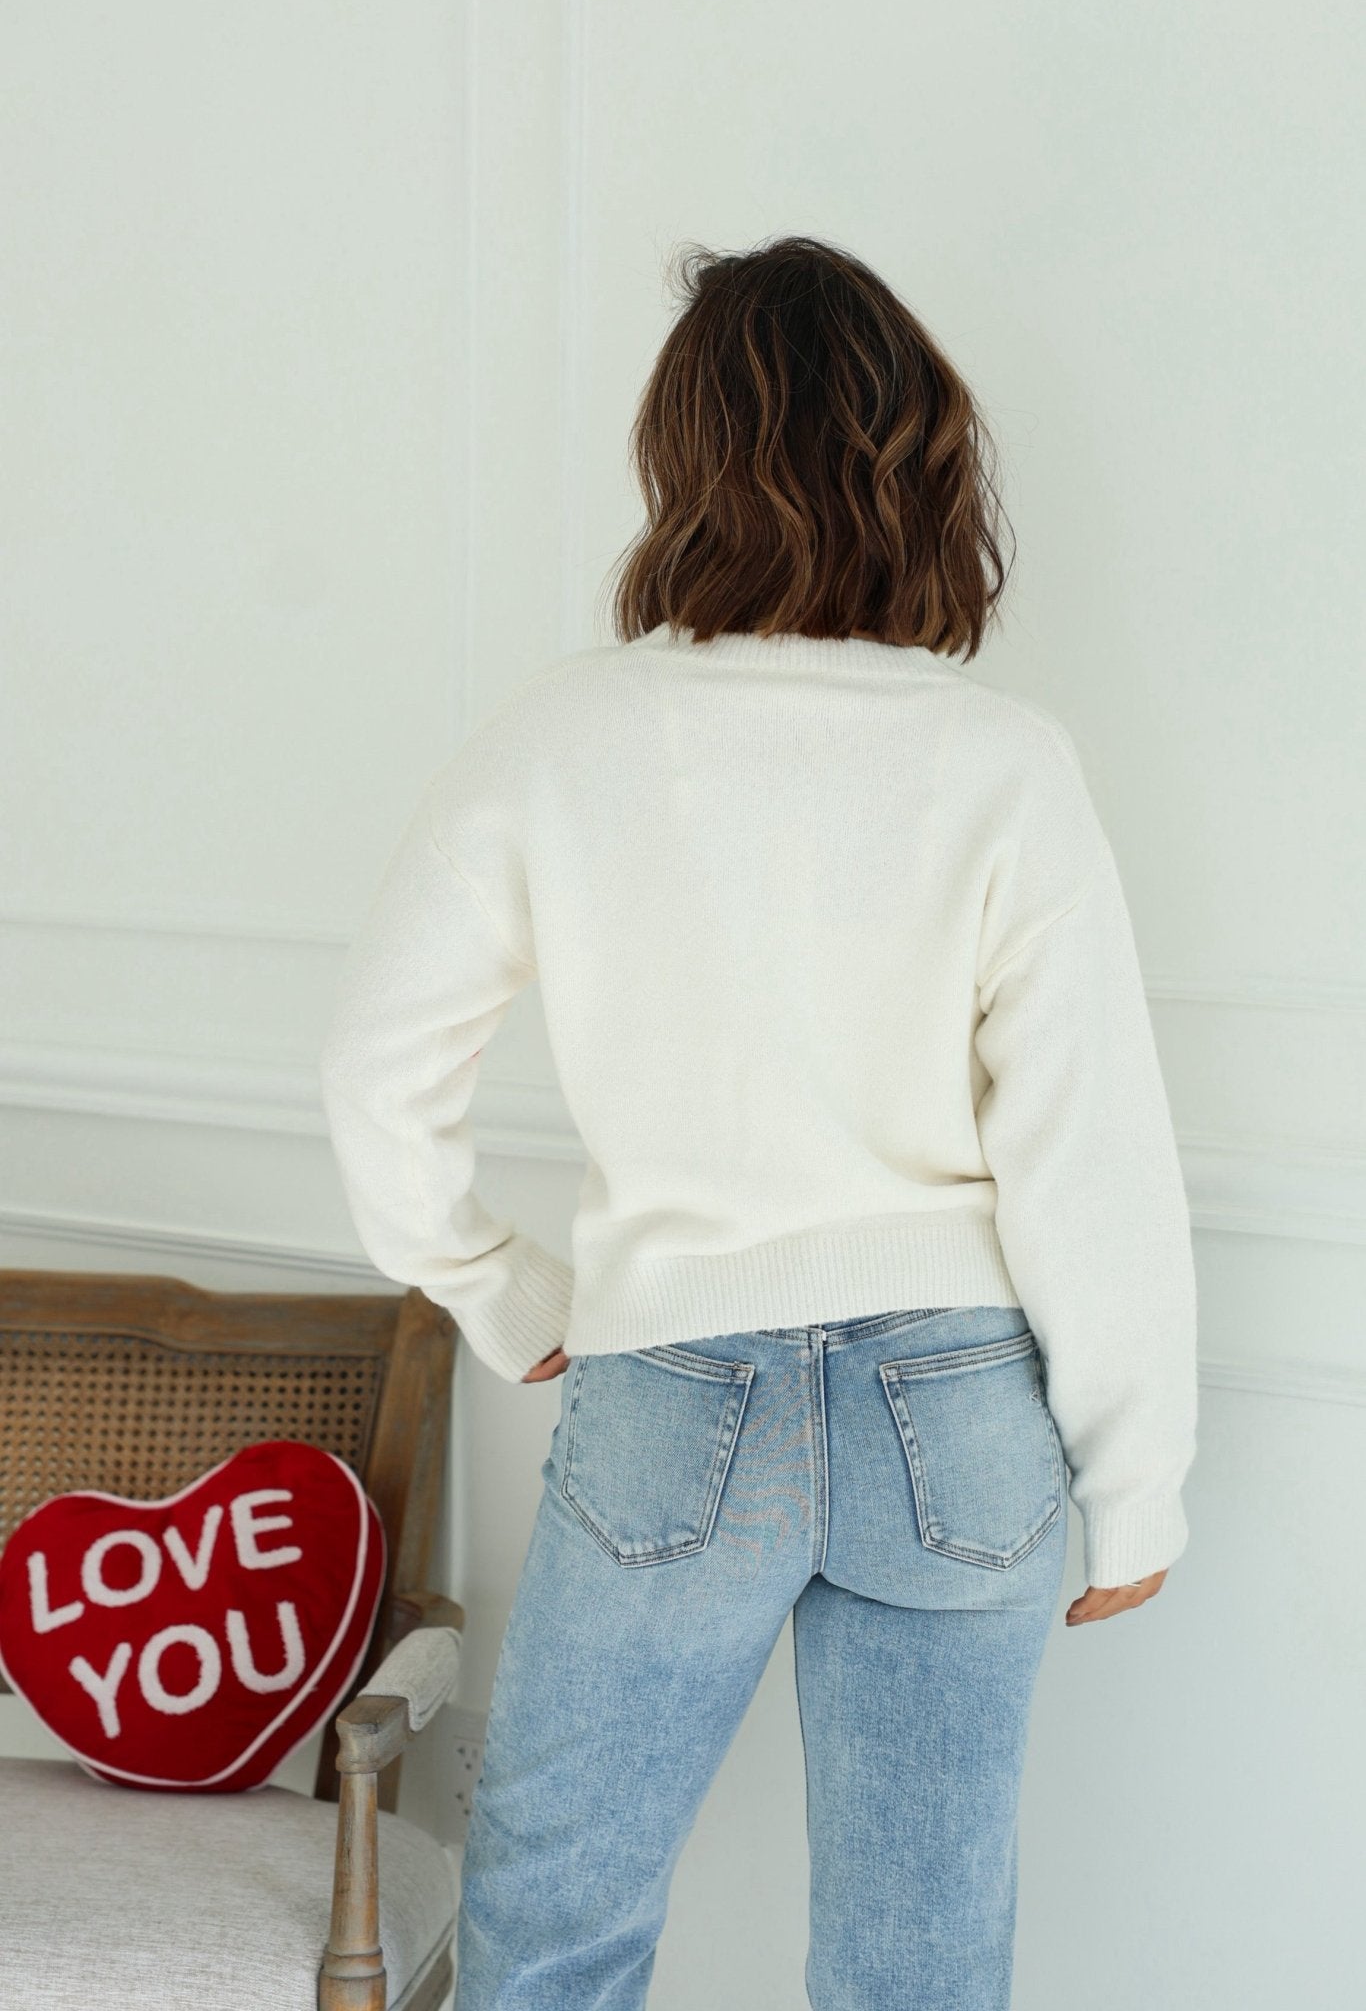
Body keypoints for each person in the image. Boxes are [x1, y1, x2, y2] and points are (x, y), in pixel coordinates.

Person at [318, 233, 1198, 2010]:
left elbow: (374, 1069)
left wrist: (505, 1291)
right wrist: (1136, 1480)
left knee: (553, 1926)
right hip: (957, 1410)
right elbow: (1088, 1146)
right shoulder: (1001, 761)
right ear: (930, 464)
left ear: (682, 461)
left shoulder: (565, 737)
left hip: (674, 1394)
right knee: (918, 1967)